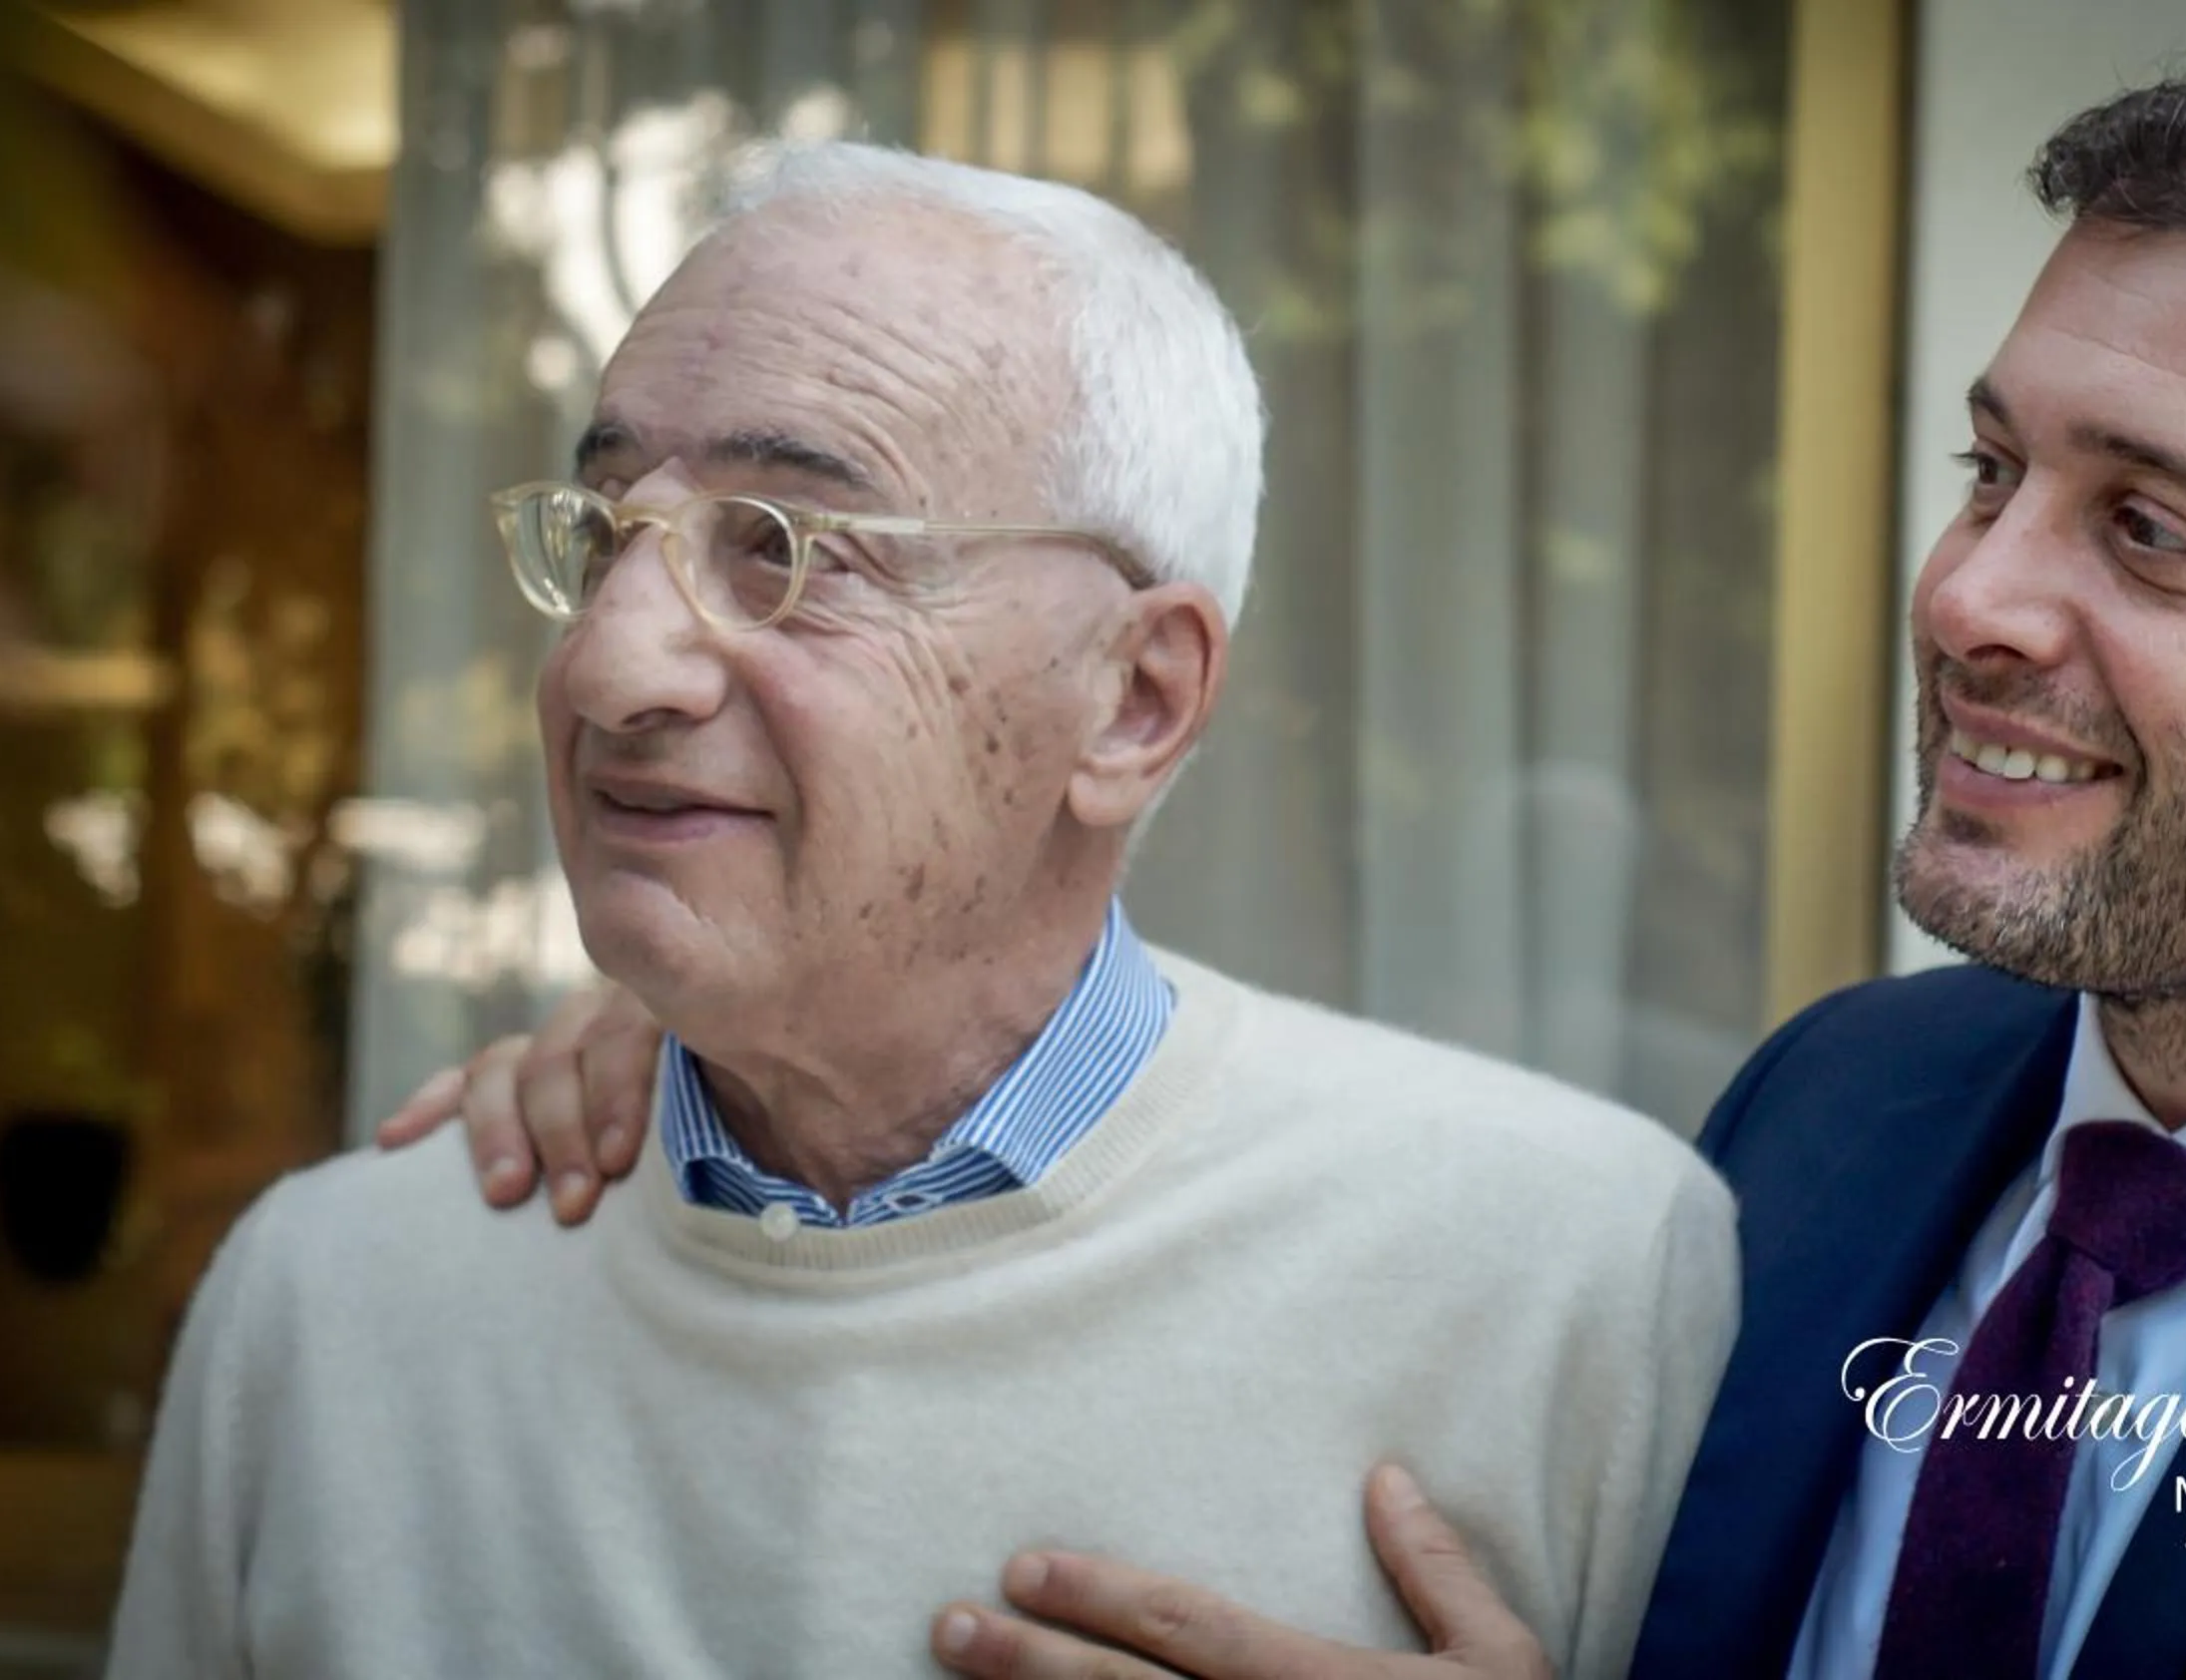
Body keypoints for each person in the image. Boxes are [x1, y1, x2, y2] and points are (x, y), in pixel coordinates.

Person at [401, 56, 2186, 1680]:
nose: (1969, 595)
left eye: (2149, 527)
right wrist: (778, 1037)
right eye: (1993, 472)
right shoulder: (1837, 1115)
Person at [107, 142, 1739, 1680]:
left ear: (1134, 699)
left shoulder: (1570, 1276)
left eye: (784, 545)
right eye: (605, 535)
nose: (607, 665)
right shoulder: (330, 1303)